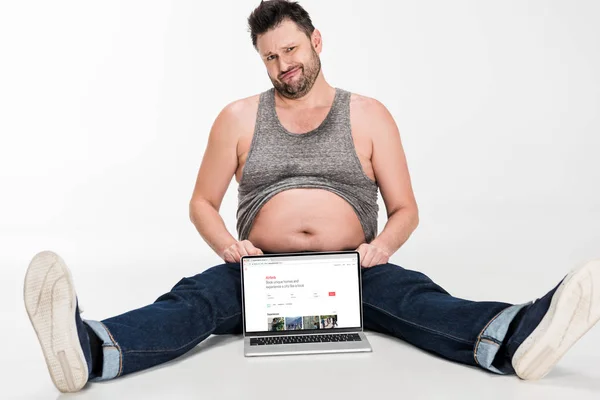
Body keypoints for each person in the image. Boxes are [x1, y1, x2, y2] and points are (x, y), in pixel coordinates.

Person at [22, 0, 600, 393]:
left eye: (291, 50)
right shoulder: (238, 117)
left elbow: (405, 210)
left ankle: (518, 336)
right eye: (270, 56)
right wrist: (229, 246)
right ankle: (89, 349)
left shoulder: (370, 115)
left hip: (352, 272)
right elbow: (202, 202)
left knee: (420, 301)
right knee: (192, 304)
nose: (283, 65)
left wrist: (382, 249)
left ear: (316, 40)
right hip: (262, 273)